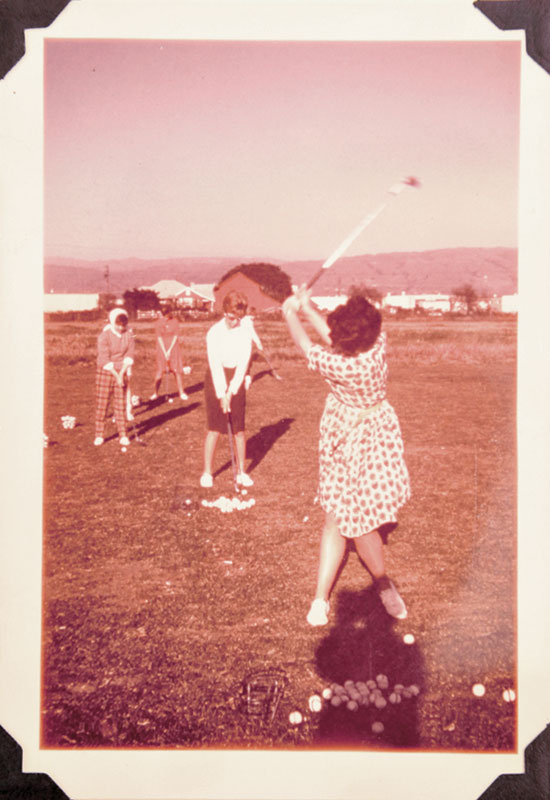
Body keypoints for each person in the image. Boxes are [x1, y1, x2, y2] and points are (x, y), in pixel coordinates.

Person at [282, 287, 410, 625]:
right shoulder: (377, 340)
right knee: (336, 516)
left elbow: (308, 346)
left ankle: (383, 583)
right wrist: (307, 305)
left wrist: (290, 314)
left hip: (366, 439)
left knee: (363, 520)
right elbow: (335, 336)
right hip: (350, 432)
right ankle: (320, 598)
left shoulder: (345, 367)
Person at [200, 291, 255, 489]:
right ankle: (207, 472)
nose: (235, 322)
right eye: (232, 318)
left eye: (239, 318)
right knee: (214, 428)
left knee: (238, 430)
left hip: (235, 380)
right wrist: (222, 394)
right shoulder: (214, 333)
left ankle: (241, 472)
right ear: (225, 313)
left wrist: (231, 392)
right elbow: (215, 365)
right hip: (216, 379)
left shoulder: (245, 332)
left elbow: (242, 365)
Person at [94, 308, 135, 447]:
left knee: (120, 405)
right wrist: (117, 375)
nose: (120, 327)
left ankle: (123, 435)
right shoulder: (104, 336)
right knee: (103, 404)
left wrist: (122, 373)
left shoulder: (128, 335)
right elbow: (104, 358)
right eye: (118, 324)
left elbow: (129, 355)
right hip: (106, 371)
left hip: (121, 370)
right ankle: (99, 435)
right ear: (112, 322)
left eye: (123, 325)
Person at [150, 306, 190, 401]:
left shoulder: (175, 321)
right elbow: (159, 338)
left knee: (177, 371)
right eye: (165, 315)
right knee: (160, 372)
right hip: (161, 349)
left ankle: (182, 392)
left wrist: (169, 350)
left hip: (174, 348)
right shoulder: (158, 323)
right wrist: (165, 351)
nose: (166, 317)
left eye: (167, 314)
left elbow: (176, 336)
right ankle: (155, 393)